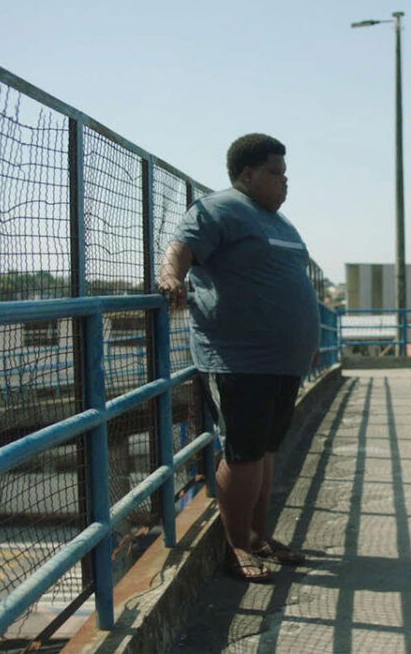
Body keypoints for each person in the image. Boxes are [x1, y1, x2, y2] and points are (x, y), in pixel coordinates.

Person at [158, 134, 318, 581]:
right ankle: (237, 545)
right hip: (238, 357)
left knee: (266, 450)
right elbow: (180, 247)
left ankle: (260, 536)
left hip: (283, 359)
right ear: (248, 174)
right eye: (275, 173)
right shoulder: (219, 208)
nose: (285, 183)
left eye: (286, 174)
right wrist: (172, 277)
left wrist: (310, 337)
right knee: (244, 452)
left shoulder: (280, 223)